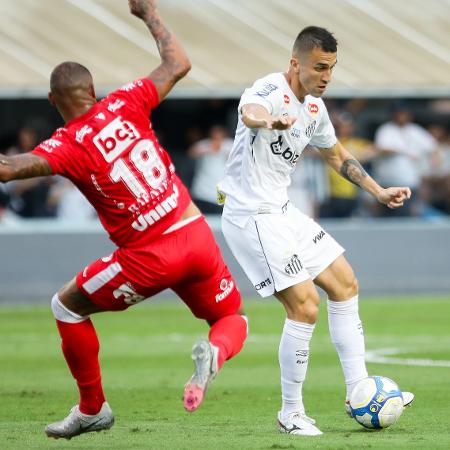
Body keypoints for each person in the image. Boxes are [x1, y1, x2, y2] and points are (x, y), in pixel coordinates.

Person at [0, 0, 247, 440]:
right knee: (232, 318)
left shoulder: (67, 143)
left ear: (54, 101)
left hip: (151, 255)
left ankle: (92, 408)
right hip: (194, 233)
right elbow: (178, 62)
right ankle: (216, 351)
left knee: (67, 306)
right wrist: (148, 13)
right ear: (93, 90)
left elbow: (7, 169)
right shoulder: (128, 100)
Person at [219, 26, 414, 436]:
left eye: (332, 69)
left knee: (345, 283)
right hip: (251, 216)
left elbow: (335, 153)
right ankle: (291, 412)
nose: (326, 76)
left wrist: (378, 191)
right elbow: (248, 113)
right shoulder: (268, 91)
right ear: (295, 63)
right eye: (319, 67)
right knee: (305, 306)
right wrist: (270, 121)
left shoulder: (314, 109)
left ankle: (359, 388)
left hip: (284, 211)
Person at [373, 101, 437, 217]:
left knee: (407, 218)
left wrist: (429, 167)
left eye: (404, 113)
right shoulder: (386, 130)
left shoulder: (415, 131)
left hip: (410, 185)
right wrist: (404, 151)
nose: (401, 115)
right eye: (398, 113)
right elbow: (383, 149)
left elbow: (433, 148)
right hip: (387, 185)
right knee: (387, 219)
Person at [188, 125, 233, 214]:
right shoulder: (204, 144)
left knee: (218, 218)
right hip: (202, 191)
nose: (217, 136)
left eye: (219, 133)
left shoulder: (229, 145)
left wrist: (220, 149)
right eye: (214, 133)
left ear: (224, 135)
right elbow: (191, 152)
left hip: (220, 190)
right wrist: (209, 149)